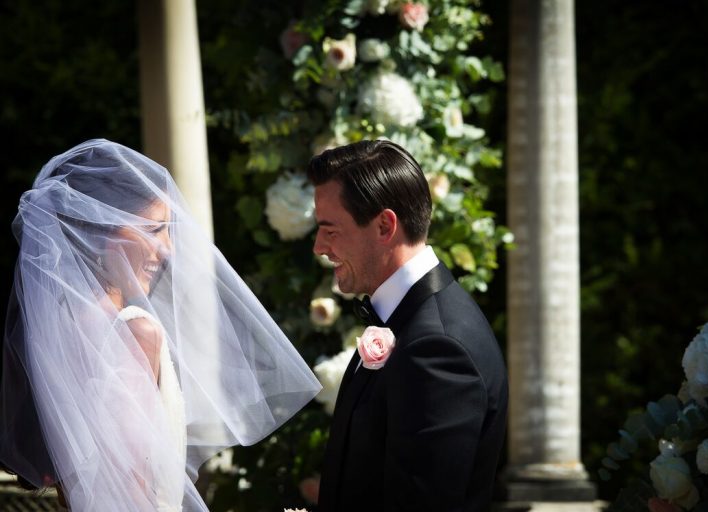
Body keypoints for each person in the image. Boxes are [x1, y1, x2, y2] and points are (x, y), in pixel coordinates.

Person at [0, 139, 321, 511]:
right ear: (100, 230)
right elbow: (134, 482)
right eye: (154, 229)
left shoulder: (58, 328)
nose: (168, 248)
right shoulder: (134, 332)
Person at [308, 139, 509, 512]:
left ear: (385, 226)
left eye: (330, 230)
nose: (319, 246)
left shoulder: (437, 348)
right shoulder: (408, 322)